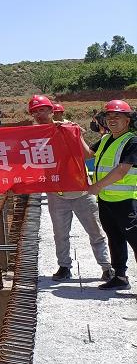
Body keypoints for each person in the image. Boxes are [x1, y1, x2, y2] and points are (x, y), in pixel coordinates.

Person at [27, 95, 112, 281]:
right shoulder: (33, 135)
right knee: (60, 234)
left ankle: (107, 267)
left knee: (95, 232)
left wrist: (76, 134)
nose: (39, 114)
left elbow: (87, 155)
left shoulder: (69, 128)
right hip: (56, 194)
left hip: (81, 191)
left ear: (51, 111)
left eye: (42, 110)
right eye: (35, 112)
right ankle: (64, 266)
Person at [84, 100, 137, 290]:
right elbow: (87, 154)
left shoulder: (132, 141)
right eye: (109, 116)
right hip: (106, 201)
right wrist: (75, 134)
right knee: (115, 239)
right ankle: (120, 277)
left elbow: (122, 170)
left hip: (127, 201)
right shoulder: (106, 139)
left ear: (127, 120)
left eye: (117, 116)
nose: (112, 120)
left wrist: (97, 186)